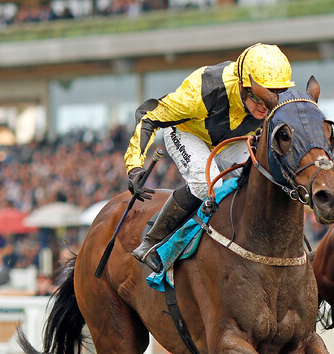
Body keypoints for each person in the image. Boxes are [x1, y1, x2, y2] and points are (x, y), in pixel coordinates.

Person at [124, 43, 295, 273]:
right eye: (258, 97)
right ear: (243, 86)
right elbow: (149, 116)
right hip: (186, 132)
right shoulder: (205, 89)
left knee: (263, 174)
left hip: (231, 139)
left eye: (272, 97)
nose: (265, 107)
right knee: (209, 183)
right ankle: (153, 241)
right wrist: (134, 166)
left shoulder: (274, 102)